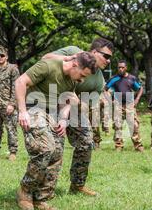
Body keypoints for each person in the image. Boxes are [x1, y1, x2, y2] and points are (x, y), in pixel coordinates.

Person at [15, 52, 97, 210]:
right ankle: (25, 191)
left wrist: (63, 118)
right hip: (34, 108)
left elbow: (68, 99)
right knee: (45, 148)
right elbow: (20, 82)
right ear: (75, 64)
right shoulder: (49, 66)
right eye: (82, 75)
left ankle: (41, 198)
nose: (82, 80)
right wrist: (22, 112)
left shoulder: (72, 80)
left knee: (57, 153)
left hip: (53, 113)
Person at [41, 38, 114, 196]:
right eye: (106, 56)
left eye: (110, 58)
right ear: (94, 52)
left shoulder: (99, 79)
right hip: (52, 105)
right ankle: (44, 190)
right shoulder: (73, 51)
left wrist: (76, 102)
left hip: (74, 111)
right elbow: (45, 58)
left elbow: (87, 106)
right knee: (55, 149)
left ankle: (77, 185)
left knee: (87, 142)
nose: (108, 61)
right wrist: (67, 59)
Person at [104, 60, 144, 152]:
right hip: (118, 105)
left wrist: (137, 99)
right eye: (119, 67)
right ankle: (119, 146)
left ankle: (138, 146)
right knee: (118, 126)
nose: (121, 69)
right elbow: (105, 89)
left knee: (134, 126)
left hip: (130, 105)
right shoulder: (113, 79)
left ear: (126, 68)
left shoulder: (132, 78)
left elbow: (140, 88)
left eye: (122, 67)